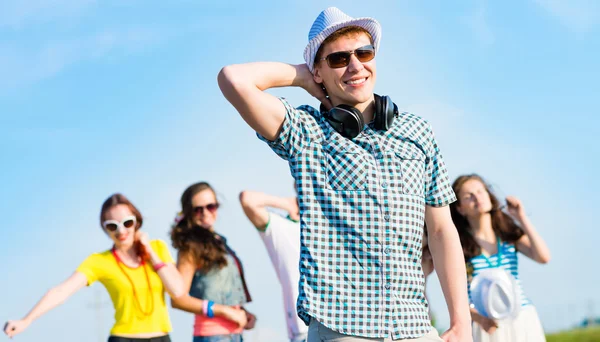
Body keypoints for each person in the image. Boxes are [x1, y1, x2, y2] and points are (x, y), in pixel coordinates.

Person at [218, 6, 471, 342]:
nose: (355, 65)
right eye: (338, 59)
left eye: (363, 53)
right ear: (319, 70)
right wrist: (301, 76)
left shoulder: (418, 131)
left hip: (414, 325)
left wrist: (461, 322)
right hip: (342, 329)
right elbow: (233, 79)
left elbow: (441, 231)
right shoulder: (306, 131)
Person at [3, 193, 185, 341]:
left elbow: (177, 290)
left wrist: (150, 252)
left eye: (127, 223)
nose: (121, 231)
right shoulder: (100, 261)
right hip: (123, 338)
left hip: (162, 337)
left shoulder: (158, 248)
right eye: (112, 226)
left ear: (136, 221)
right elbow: (61, 292)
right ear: (105, 229)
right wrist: (26, 320)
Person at [450, 174, 550, 342]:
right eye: (469, 196)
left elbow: (543, 257)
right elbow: (455, 296)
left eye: (480, 191)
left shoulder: (508, 234)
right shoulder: (459, 246)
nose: (477, 198)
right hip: (486, 326)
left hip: (522, 318)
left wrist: (521, 217)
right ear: (460, 208)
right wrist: (479, 319)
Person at [170, 182, 255, 342]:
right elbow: (177, 299)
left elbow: (216, 291)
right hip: (212, 336)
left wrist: (241, 311)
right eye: (197, 209)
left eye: (210, 206)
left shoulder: (219, 242)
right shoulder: (189, 247)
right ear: (188, 213)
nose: (205, 213)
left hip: (235, 335)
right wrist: (225, 311)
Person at [239, 189, 308, 342]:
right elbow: (248, 198)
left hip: (342, 326)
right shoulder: (280, 227)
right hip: (303, 330)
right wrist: (288, 204)